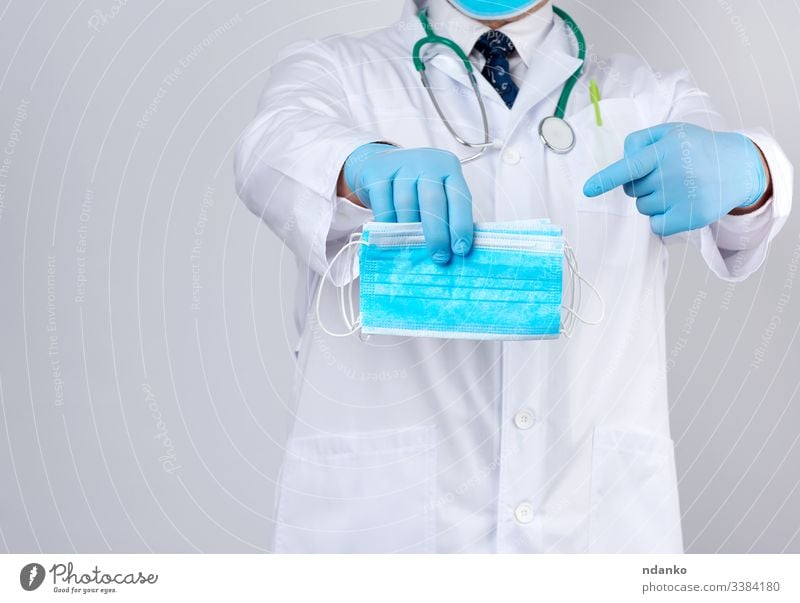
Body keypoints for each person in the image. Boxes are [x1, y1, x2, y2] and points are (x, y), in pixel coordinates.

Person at [234, 0, 793, 553]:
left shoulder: (649, 96)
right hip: (387, 528)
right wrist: (360, 165)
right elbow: (270, 146)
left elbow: (742, 218)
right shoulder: (336, 71)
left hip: (591, 533)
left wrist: (753, 172)